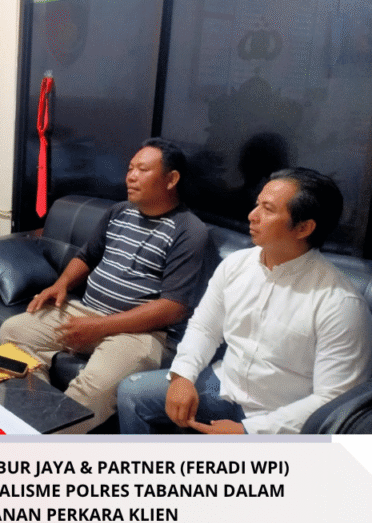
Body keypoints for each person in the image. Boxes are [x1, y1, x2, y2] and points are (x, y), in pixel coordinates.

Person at [118, 167, 372, 435]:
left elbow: (332, 400)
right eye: (257, 204)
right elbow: (205, 327)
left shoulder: (340, 304)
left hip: (278, 412)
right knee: (133, 393)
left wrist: (249, 431)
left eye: (268, 209)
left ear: (303, 228)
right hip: (222, 385)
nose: (252, 215)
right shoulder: (236, 264)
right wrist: (182, 376)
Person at [0, 138, 213, 432]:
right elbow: (87, 256)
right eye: (130, 168)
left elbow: (173, 308)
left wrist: (100, 327)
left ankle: (48, 440)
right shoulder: (119, 212)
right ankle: (35, 418)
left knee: (95, 389)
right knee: (13, 331)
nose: (131, 177)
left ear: (171, 179)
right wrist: (61, 284)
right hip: (86, 311)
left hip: (139, 333)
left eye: (142, 170)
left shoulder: (189, 231)